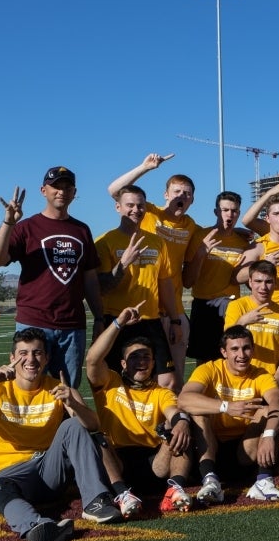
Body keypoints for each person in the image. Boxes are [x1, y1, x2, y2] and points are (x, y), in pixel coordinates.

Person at [0, 328, 121, 541]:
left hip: (48, 470)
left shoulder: (58, 388)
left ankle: (95, 502)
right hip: (10, 476)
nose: (30, 359)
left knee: (75, 424)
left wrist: (73, 404)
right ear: (12, 358)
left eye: (37, 353)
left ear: (47, 358)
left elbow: (94, 426)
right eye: (23, 353)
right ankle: (38, 527)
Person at [0, 167, 103, 388]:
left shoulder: (82, 230)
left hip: (72, 325)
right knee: (28, 388)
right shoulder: (27, 227)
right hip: (33, 322)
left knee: (67, 390)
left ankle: (65, 424)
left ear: (74, 191)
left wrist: (99, 317)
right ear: (43, 190)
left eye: (67, 187)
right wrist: (8, 223)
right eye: (56, 186)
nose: (62, 191)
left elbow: (90, 279)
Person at [85, 304, 197, 517]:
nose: (140, 361)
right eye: (134, 357)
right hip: (118, 465)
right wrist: (118, 322)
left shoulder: (160, 391)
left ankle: (175, 487)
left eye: (146, 357)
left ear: (154, 363)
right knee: (97, 439)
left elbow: (173, 410)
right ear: (123, 363)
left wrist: (181, 421)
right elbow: (92, 360)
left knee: (181, 429)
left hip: (155, 464)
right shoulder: (110, 381)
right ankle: (122, 495)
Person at [107, 154, 204, 390]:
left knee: (174, 376)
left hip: (174, 310)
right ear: (166, 195)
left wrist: (243, 234)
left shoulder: (192, 226)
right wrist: (145, 167)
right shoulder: (148, 212)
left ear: (192, 200)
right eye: (176, 191)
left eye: (187, 193)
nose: (181, 196)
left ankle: (175, 423)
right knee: (136, 373)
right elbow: (115, 190)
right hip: (142, 308)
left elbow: (215, 237)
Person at [177, 326, 279, 503]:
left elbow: (278, 401)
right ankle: (210, 479)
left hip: (244, 451)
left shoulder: (260, 374)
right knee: (198, 413)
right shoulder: (210, 369)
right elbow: (184, 400)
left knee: (267, 412)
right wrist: (226, 406)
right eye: (234, 349)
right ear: (224, 352)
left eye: (246, 348)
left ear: (253, 350)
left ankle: (263, 480)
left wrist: (269, 434)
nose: (241, 355)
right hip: (211, 449)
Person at [94, 183, 178, 390]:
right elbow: (101, 287)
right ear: (118, 207)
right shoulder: (105, 242)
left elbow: (165, 283)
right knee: (116, 379)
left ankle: (157, 422)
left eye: (140, 206)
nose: (136, 210)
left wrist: (175, 319)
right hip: (117, 319)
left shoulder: (157, 242)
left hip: (150, 319)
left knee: (166, 380)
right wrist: (124, 263)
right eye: (129, 205)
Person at [185, 191, 254, 363]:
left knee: (234, 358)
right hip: (204, 306)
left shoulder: (243, 242)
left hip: (231, 307)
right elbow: (187, 281)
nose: (229, 214)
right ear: (216, 211)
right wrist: (201, 253)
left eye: (234, 211)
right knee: (205, 363)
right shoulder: (201, 237)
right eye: (225, 210)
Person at [223, 260, 279, 380]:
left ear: (275, 284)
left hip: (271, 379)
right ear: (250, 282)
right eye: (258, 281)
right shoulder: (237, 306)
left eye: (268, 282)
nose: (263, 287)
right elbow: (228, 340)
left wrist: (277, 377)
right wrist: (244, 321)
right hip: (242, 377)